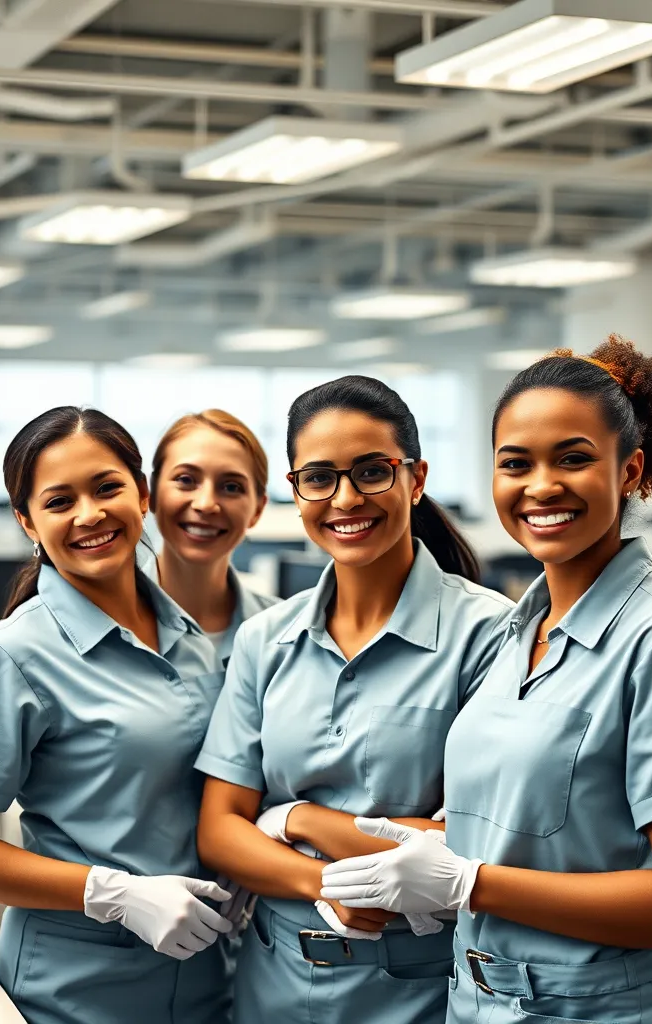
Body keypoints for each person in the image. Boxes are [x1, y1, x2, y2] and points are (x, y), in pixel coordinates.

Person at [320, 339, 652, 1024]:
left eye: (574, 458)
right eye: (515, 463)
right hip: (481, 1002)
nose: (541, 486)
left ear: (629, 470)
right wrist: (429, 853)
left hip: (605, 1009)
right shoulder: (514, 633)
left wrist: (471, 882)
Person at [195, 375, 514, 1024]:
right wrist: (321, 883)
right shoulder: (264, 640)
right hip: (273, 981)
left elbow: (478, 845)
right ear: (295, 490)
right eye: (319, 477)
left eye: (372, 471)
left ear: (415, 479)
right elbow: (219, 830)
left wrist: (297, 820)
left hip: (423, 990)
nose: (345, 498)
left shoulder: (491, 634)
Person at [0, 406, 234, 1024]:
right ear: (27, 521)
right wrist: (112, 893)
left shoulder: (195, 638)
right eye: (59, 500)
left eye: (107, 488)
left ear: (141, 496)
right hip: (79, 992)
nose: (89, 515)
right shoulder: (12, 654)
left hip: (207, 979)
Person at [143, 409, 279, 664]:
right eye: (185, 480)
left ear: (257, 509)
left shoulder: (284, 632)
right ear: (151, 494)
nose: (206, 504)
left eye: (231, 487)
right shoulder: (104, 619)